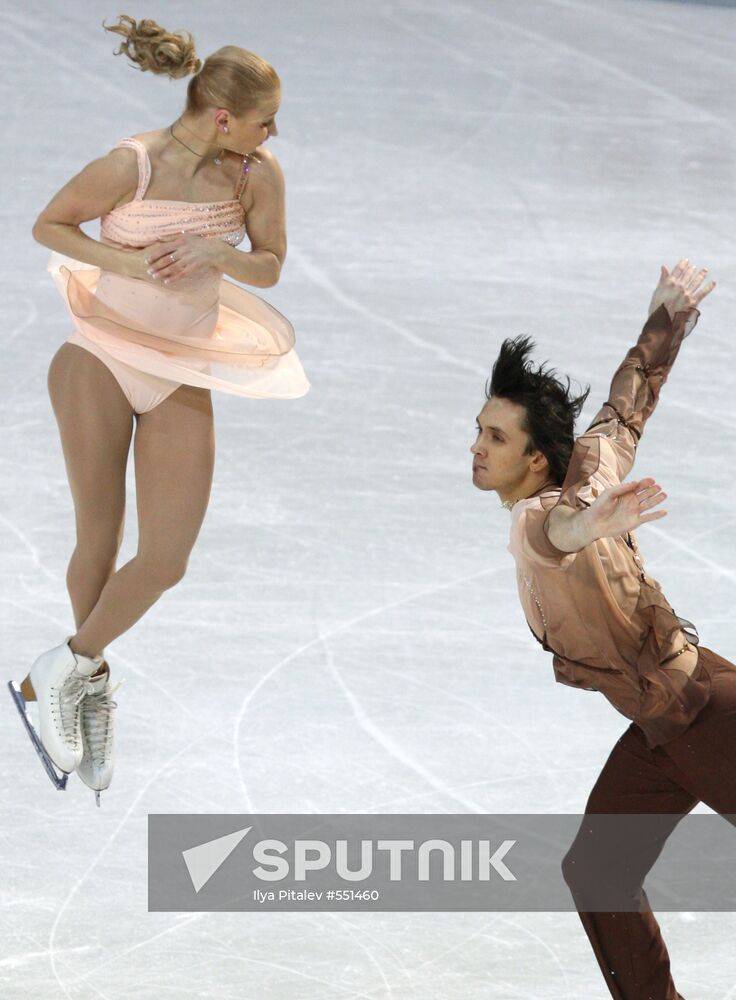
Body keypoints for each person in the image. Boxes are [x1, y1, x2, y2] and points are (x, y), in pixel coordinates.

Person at [8, 15, 308, 806]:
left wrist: (222, 254)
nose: (272, 130)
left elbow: (271, 264)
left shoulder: (257, 176)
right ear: (221, 117)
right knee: (99, 541)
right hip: (100, 357)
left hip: (179, 372)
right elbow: (49, 223)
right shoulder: (131, 164)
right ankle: (90, 691)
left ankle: (66, 668)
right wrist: (126, 259)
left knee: (166, 558)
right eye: (262, 117)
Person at [471, 259, 734, 1000]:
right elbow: (625, 410)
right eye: (479, 430)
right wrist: (665, 318)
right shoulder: (589, 466)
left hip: (704, 713)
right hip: (661, 725)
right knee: (598, 870)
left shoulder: (539, 517)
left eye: (495, 436)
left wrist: (586, 525)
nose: (477, 447)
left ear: (533, 457)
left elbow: (551, 535)